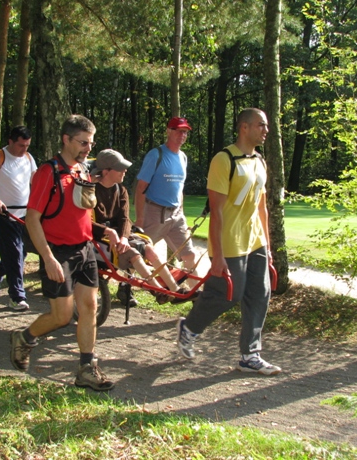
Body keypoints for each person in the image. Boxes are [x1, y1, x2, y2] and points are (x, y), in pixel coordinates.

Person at [10, 114, 114, 392]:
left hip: (84, 249)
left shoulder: (82, 171)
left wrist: (103, 232)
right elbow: (33, 218)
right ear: (66, 139)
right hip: (58, 253)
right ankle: (24, 338)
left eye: (90, 143)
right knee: (62, 316)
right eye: (82, 142)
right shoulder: (49, 172)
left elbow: (80, 215)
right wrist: (48, 259)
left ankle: (86, 369)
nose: (87, 149)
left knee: (90, 308)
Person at [176, 108, 281, 375]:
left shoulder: (259, 161)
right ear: (244, 127)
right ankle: (189, 328)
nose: (266, 130)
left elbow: (261, 207)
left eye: (266, 126)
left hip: (255, 240)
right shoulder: (224, 160)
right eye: (261, 125)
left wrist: (267, 247)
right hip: (229, 241)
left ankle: (250, 355)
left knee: (260, 294)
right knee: (226, 295)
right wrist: (218, 254)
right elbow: (217, 211)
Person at [91, 149, 189, 305]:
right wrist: (108, 231)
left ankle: (174, 289)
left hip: (118, 236)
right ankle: (157, 291)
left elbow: (125, 218)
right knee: (133, 252)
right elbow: (85, 223)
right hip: (99, 238)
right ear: (106, 171)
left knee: (148, 248)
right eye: (120, 168)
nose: (125, 170)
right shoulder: (90, 191)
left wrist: (123, 237)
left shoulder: (120, 190)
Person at [0, 126, 37, 311]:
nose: (24, 149)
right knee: (15, 255)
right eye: (21, 145)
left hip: (25, 215)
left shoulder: (28, 158)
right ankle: (17, 297)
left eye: (27, 145)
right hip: (3, 215)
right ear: (10, 142)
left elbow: (35, 181)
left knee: (22, 252)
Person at [134, 117, 198, 287]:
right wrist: (140, 219)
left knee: (189, 254)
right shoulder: (156, 155)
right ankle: (126, 289)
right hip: (155, 213)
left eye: (185, 132)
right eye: (178, 131)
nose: (182, 135)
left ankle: (197, 297)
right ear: (169, 131)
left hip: (176, 216)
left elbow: (180, 188)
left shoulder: (183, 158)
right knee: (139, 252)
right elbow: (141, 187)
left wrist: (182, 212)